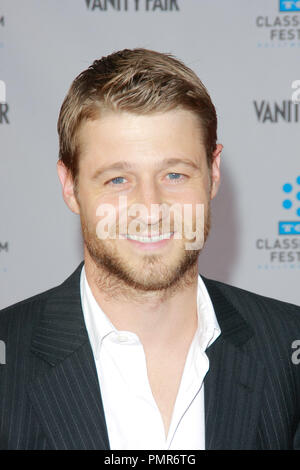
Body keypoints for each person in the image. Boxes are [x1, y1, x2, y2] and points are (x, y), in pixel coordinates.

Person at [1, 48, 300, 451]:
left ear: (213, 173)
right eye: (118, 180)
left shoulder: (288, 349)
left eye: (174, 174)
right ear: (70, 185)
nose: (150, 208)